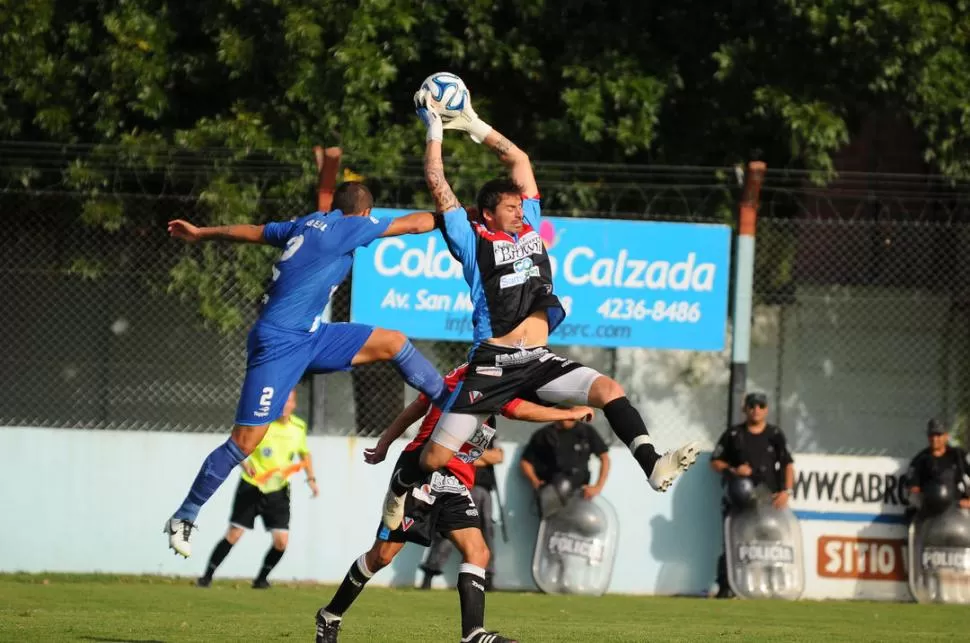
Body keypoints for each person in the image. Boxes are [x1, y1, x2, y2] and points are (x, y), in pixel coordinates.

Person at [381, 86, 700, 529]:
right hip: (493, 365)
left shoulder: (527, 224)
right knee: (433, 458)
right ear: (487, 213)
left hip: (537, 361)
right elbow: (438, 182)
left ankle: (651, 464)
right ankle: (399, 486)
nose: (520, 212)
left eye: (520, 205)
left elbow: (520, 161)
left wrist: (474, 125)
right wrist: (434, 130)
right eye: (510, 207)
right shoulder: (472, 239)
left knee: (608, 390)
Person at [163, 181, 451, 558]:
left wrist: (202, 233)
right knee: (245, 442)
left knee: (393, 341)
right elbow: (415, 224)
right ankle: (184, 515)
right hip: (280, 344)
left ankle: (448, 403)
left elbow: (252, 231)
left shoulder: (308, 222)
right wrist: (463, 217)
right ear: (364, 213)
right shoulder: (351, 226)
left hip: (311, 335)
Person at [315, 363, 594, 643]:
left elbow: (422, 406)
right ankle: (330, 615)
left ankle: (473, 634)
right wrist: (568, 412)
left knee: (478, 551)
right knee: (382, 556)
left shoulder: (487, 375)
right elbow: (517, 409)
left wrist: (385, 444)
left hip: (456, 481)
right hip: (422, 471)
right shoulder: (475, 379)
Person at [196, 389, 317, 588]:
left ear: (294, 405)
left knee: (281, 542)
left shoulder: (299, 427)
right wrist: (244, 463)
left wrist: (311, 478)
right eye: (282, 401)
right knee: (234, 534)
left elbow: (304, 454)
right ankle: (206, 577)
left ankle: (261, 580)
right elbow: (240, 444)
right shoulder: (262, 424)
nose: (285, 405)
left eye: (289, 401)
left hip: (278, 491)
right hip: (252, 486)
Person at [709, 392, 794, 598]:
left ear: (766, 409)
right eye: (752, 405)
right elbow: (715, 461)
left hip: (769, 501)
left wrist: (786, 491)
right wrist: (733, 470)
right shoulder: (734, 435)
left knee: (772, 544)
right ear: (744, 408)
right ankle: (727, 587)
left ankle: (774, 586)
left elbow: (787, 464)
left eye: (760, 405)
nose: (756, 409)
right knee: (734, 544)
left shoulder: (775, 434)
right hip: (740, 501)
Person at [419, 426, 503, 591]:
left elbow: (498, 456)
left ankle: (488, 577)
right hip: (458, 486)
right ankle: (430, 572)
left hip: (483, 489)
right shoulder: (457, 426)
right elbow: (455, 457)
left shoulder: (488, 430)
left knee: (487, 532)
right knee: (448, 532)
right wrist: (481, 456)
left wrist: (472, 453)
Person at [519, 418, 611, 516]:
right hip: (552, 493)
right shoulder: (544, 435)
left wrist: (597, 487)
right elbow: (525, 462)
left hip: (580, 493)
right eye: (563, 409)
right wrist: (535, 482)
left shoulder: (586, 432)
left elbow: (605, 458)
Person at [906, 419, 970, 513]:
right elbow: (913, 488)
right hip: (929, 512)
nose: (934, 439)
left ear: (946, 436)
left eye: (938, 435)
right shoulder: (920, 459)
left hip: (957, 511)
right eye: (931, 435)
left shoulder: (959, 455)